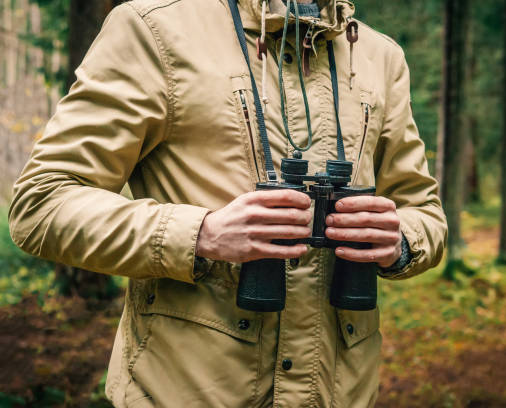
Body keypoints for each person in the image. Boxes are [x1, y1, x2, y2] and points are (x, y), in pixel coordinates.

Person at [8, 0, 447, 406]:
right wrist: (200, 233)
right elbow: (42, 201)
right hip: (184, 393)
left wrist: (400, 240)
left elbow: (424, 210)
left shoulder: (379, 56)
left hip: (341, 395)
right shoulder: (155, 29)